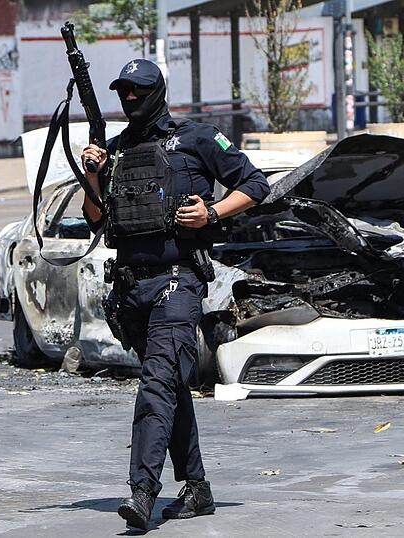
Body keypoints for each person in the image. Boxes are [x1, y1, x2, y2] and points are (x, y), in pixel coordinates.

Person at [80, 58, 270, 530]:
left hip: (177, 282)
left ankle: (142, 491)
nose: (129, 98)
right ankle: (197, 488)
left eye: (137, 90)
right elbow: (96, 218)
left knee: (156, 385)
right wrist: (93, 175)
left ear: (157, 92)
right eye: (122, 91)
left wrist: (213, 213)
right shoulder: (115, 150)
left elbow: (256, 184)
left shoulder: (198, 138)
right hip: (131, 289)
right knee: (168, 386)